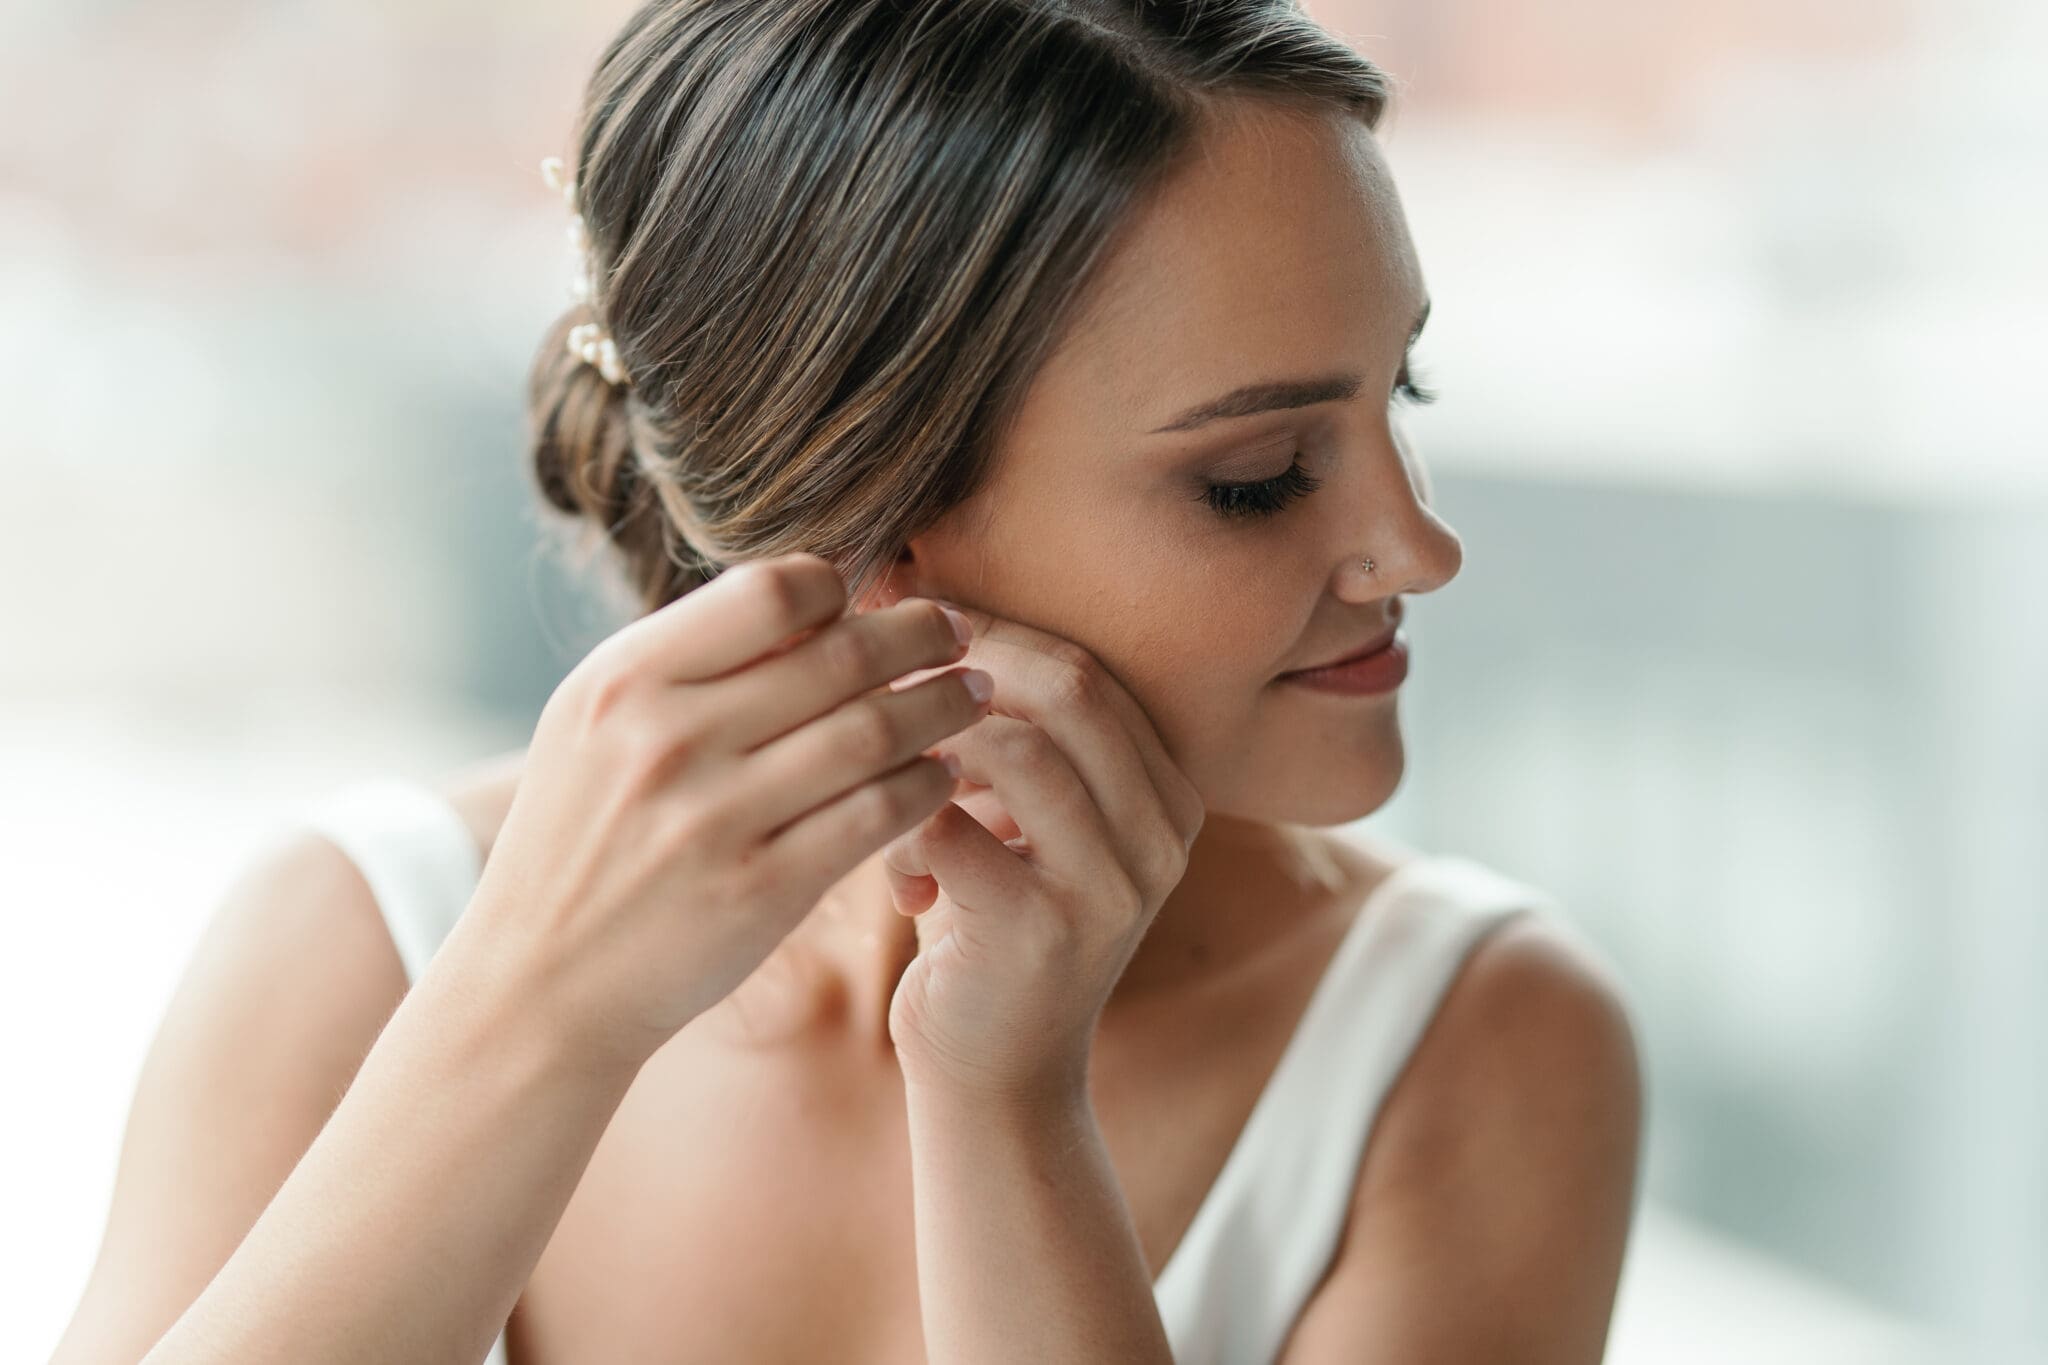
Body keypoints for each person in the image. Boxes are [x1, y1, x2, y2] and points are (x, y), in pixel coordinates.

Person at [52, 3, 1643, 1362]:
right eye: (1263, 472)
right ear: (870, 540)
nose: (1417, 546)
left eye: (1399, 392)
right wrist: (540, 1011)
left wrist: (1009, 1104)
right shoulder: (360, 941)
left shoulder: (1472, 1040)